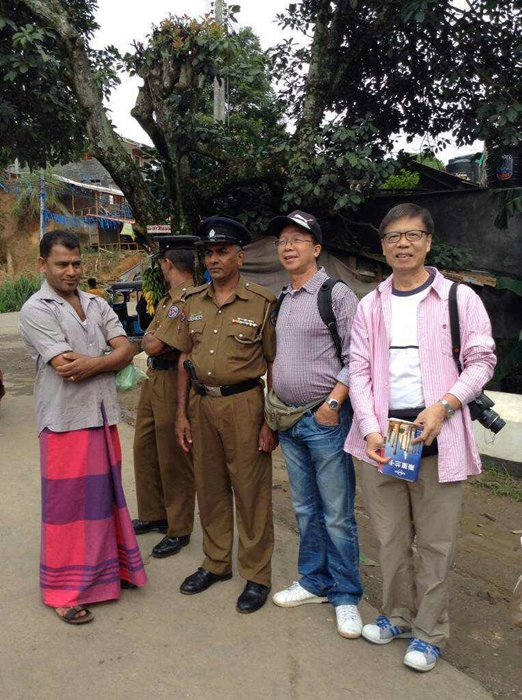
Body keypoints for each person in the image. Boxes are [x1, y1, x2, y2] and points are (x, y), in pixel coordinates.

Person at [345, 203, 496, 671]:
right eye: (393, 237)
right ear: (383, 246)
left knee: (435, 543)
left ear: (428, 242)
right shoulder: (370, 305)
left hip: (438, 434)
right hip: (383, 440)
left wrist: (444, 406)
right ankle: (397, 616)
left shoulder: (459, 298)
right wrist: (370, 429)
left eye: (412, 235)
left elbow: (481, 362)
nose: (403, 244)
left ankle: (430, 632)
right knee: (390, 538)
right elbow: (359, 370)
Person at [18, 230, 147, 625]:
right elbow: (66, 366)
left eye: (76, 263)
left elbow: (127, 347)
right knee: (67, 510)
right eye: (62, 264)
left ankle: (110, 574)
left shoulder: (96, 302)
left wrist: (97, 361)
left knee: (103, 500)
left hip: (102, 415)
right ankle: (64, 593)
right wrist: (110, 359)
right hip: (63, 421)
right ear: (43, 265)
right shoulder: (35, 309)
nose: (71, 271)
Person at [265, 210, 364, 639]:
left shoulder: (336, 294)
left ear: (317, 249)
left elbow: (359, 356)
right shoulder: (283, 299)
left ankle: (346, 595)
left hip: (325, 419)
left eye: (298, 240)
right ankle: (314, 581)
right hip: (289, 419)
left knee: (337, 513)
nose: (288, 247)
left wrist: (334, 403)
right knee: (305, 508)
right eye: (283, 241)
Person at [174, 216, 278, 614]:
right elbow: (185, 357)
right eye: (209, 253)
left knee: (251, 492)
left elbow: (274, 363)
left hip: (244, 405)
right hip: (201, 404)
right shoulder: (193, 301)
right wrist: (181, 414)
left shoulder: (262, 302)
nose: (214, 259)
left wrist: (269, 420)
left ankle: (256, 574)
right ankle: (216, 563)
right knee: (210, 487)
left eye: (222, 251)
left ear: (240, 257)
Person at [132, 236, 197, 558]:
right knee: (144, 448)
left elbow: (154, 344)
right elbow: (151, 339)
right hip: (154, 377)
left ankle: (179, 527)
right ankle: (154, 513)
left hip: (172, 378)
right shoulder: (169, 298)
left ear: (167, 263)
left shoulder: (187, 298)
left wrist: (149, 339)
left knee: (173, 456)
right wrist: (150, 339)